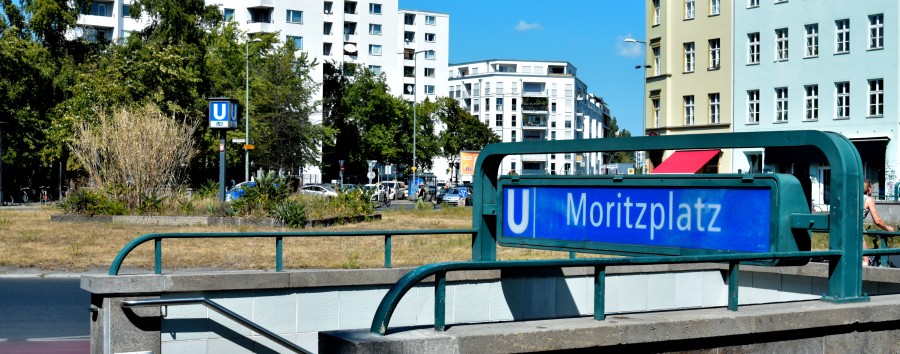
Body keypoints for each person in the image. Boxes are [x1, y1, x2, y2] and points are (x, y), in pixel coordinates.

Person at [863, 179, 894, 266]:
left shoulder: (853, 197)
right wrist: (888, 228)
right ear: (868, 188)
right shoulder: (869, 200)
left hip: (844, 229)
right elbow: (877, 220)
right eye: (872, 187)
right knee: (865, 259)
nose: (872, 190)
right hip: (855, 230)